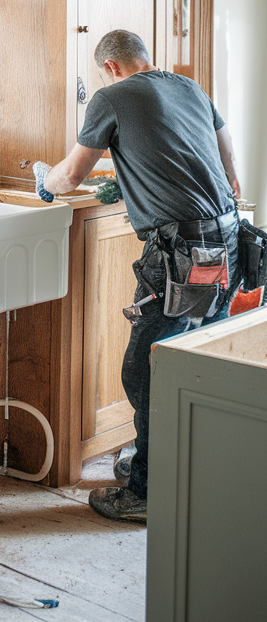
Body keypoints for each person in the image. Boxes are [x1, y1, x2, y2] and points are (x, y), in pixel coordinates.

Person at [35, 29, 241, 523]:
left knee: (147, 369)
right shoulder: (187, 87)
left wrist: (45, 180)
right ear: (144, 58)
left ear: (109, 67)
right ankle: (184, 464)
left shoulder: (111, 97)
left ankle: (146, 489)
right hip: (228, 240)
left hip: (181, 255)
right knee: (197, 360)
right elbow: (223, 154)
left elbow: (69, 178)